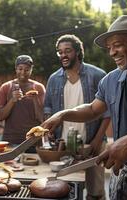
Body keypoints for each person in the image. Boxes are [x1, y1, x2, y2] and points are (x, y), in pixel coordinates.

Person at [42, 15, 127, 199]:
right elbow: (92, 109)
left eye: (118, 44)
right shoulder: (110, 80)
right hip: (121, 177)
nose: (112, 52)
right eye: (109, 47)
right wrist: (62, 114)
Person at [44, 34, 109, 200]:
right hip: (64, 145)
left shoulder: (97, 75)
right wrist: (49, 131)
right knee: (65, 189)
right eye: (60, 52)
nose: (63, 55)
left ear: (78, 52)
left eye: (67, 51)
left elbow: (108, 112)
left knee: (95, 192)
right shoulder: (53, 79)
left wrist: (97, 140)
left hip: (92, 142)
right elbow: (48, 109)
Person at [0, 55, 45, 149]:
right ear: (16, 69)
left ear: (31, 70)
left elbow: (41, 118)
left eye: (27, 69)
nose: (23, 72)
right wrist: (12, 100)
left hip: (33, 141)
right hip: (11, 140)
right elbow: (0, 116)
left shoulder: (38, 88)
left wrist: (35, 100)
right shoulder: (6, 87)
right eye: (20, 69)